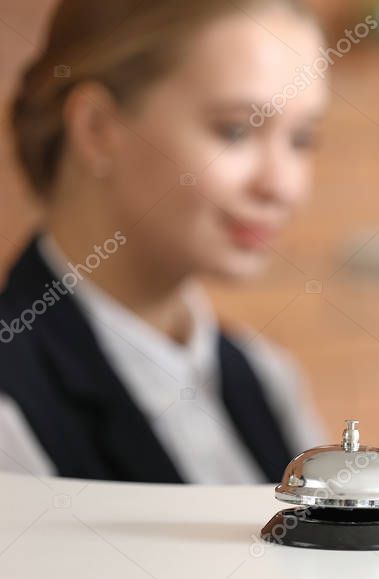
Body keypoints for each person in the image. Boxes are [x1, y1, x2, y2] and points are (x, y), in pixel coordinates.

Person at [0, 0, 330, 483]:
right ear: (96, 128)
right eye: (235, 130)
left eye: (301, 139)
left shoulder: (265, 375)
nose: (281, 186)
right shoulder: (14, 400)